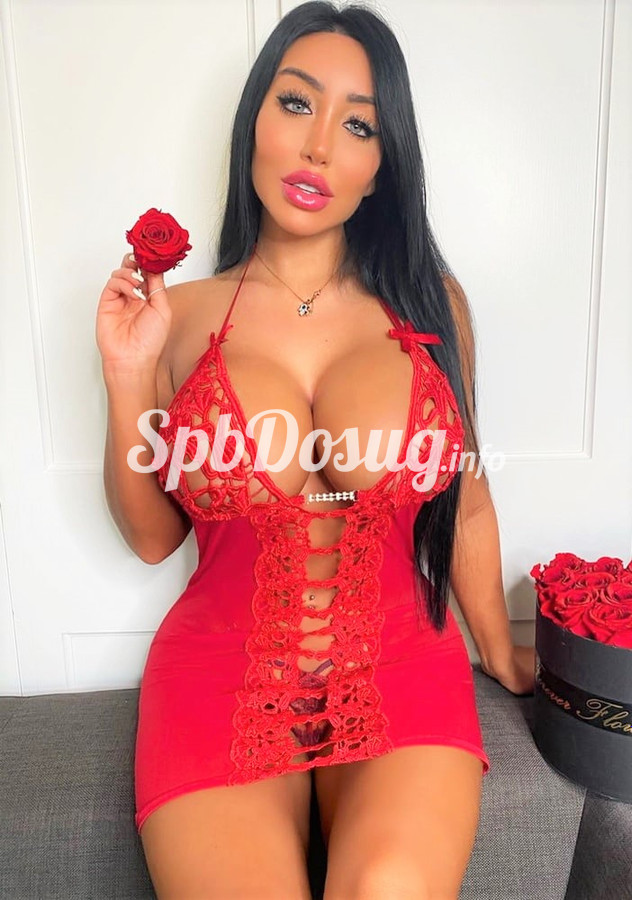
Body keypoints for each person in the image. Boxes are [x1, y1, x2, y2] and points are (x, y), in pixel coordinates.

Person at [96, 2, 535, 897]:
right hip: (217, 672)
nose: (319, 146)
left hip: (403, 662)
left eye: (359, 124)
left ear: (381, 166)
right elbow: (151, 538)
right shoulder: (177, 317)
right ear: (253, 120)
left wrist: (499, 649)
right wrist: (127, 374)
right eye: (296, 103)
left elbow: (467, 502)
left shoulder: (431, 306)